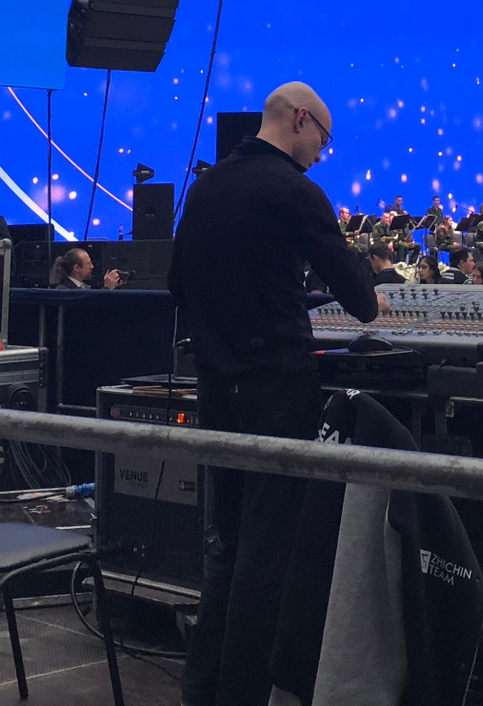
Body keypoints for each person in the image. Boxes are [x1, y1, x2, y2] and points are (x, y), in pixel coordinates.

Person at [169, 82, 380, 706]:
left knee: (228, 546)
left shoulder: (204, 188)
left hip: (217, 386)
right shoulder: (295, 191)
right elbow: (361, 300)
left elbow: (178, 284)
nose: (320, 154)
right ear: (300, 119)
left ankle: (202, 691)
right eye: (323, 140)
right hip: (277, 389)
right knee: (267, 555)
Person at [48, 247, 122, 290]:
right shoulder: (63, 290)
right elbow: (88, 307)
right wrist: (107, 288)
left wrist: (110, 287)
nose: (92, 267)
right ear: (77, 268)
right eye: (88, 264)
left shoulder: (86, 288)